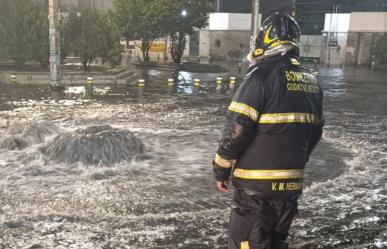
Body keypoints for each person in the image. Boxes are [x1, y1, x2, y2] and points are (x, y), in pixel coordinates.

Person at [213, 13, 324, 249]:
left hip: (256, 191)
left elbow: (237, 131)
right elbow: (315, 133)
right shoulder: (312, 82)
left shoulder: (260, 77)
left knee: (245, 243)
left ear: (265, 41)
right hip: (290, 189)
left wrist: (220, 169)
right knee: (275, 243)